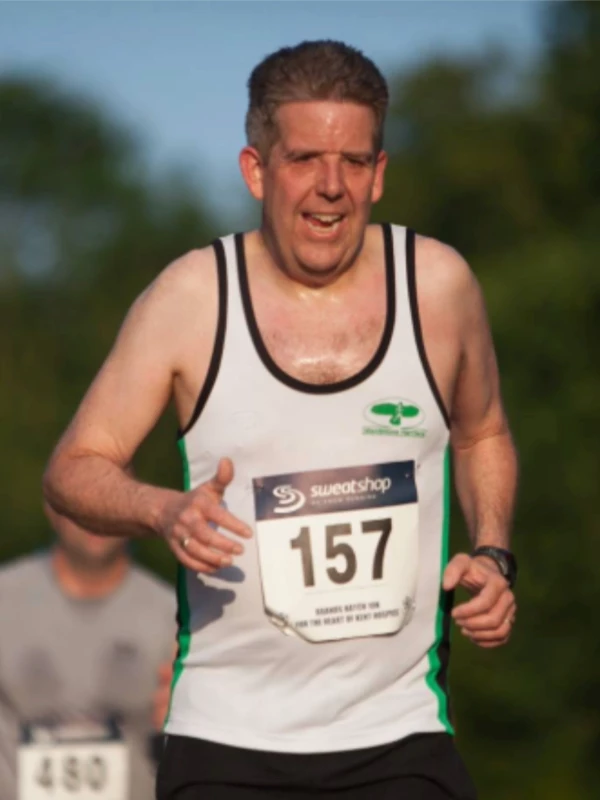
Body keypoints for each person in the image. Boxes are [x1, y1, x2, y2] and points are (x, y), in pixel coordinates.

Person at [43, 40, 518, 800]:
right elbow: (74, 468)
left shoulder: (438, 287)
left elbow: (482, 431)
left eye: (354, 162)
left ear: (379, 173)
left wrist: (493, 553)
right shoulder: (191, 299)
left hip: (401, 734)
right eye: (304, 160)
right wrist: (162, 510)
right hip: (226, 741)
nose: (331, 187)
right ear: (256, 170)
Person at [0, 500, 176, 800]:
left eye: (110, 500)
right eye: (85, 499)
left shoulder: (175, 616)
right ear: (52, 505)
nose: (97, 515)